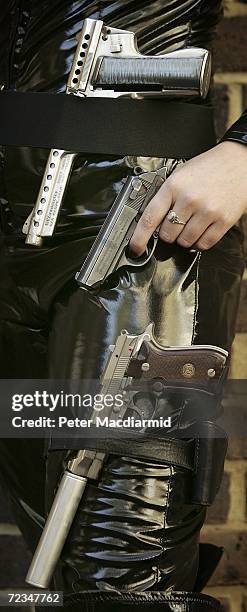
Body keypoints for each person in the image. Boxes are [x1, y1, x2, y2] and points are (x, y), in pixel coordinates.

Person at [0, 1, 246, 610]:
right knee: (52, 571)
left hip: (136, 223)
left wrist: (245, 151)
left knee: (121, 568)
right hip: (11, 243)